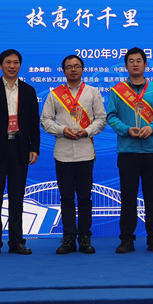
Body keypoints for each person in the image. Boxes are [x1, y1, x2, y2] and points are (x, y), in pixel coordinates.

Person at [0, 49, 40, 256]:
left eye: (16, 62)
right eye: (8, 62)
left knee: (17, 197)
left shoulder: (28, 91)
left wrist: (34, 147)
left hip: (20, 148)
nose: (12, 66)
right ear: (0, 65)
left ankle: (16, 242)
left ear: (20, 65)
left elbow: (33, 122)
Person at [107, 47, 153, 254]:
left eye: (139, 61)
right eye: (131, 61)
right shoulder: (117, 91)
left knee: (152, 198)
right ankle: (127, 239)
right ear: (125, 66)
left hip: (152, 151)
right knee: (128, 198)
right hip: (128, 151)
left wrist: (152, 128)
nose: (135, 64)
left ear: (145, 64)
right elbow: (111, 117)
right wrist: (126, 130)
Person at [41, 54, 107, 255]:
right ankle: (68, 238)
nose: (73, 70)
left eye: (77, 66)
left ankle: (85, 237)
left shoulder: (93, 92)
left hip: (85, 152)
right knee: (66, 197)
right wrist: (62, 130)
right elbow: (45, 120)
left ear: (83, 69)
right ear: (63, 71)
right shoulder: (55, 94)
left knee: (85, 197)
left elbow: (101, 119)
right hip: (62, 153)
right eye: (69, 67)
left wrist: (86, 131)